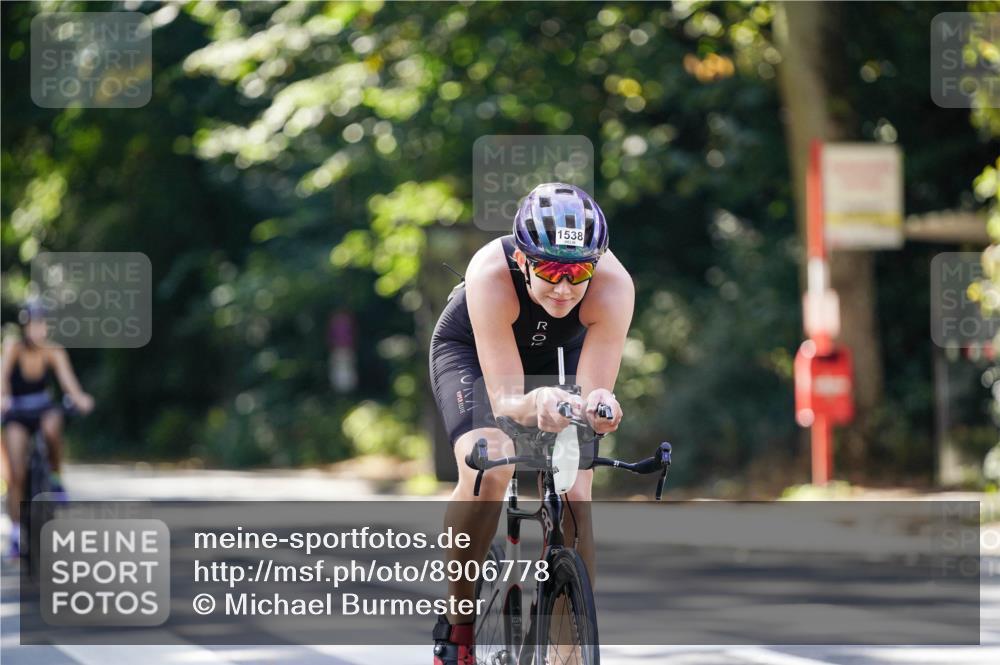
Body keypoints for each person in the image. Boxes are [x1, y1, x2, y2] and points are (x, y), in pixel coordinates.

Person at [428, 183, 634, 664]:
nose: (564, 287)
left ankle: (569, 647)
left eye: (578, 272)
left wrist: (599, 407)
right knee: (491, 465)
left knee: (576, 490)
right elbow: (505, 401)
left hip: (561, 353)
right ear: (522, 260)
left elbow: (593, 393)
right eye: (551, 271)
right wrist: (536, 401)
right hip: (474, 354)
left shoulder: (613, 285)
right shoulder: (491, 274)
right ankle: (457, 629)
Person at [1, 300, 94, 557]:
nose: (38, 330)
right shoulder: (14, 348)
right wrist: (3, 399)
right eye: (34, 325)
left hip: (43, 408)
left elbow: (69, 383)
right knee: (16, 473)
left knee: (53, 427)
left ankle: (54, 477)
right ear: (25, 327)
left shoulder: (53, 351)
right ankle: (16, 533)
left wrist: (81, 399)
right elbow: (2, 379)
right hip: (17, 412)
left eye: (42, 324)